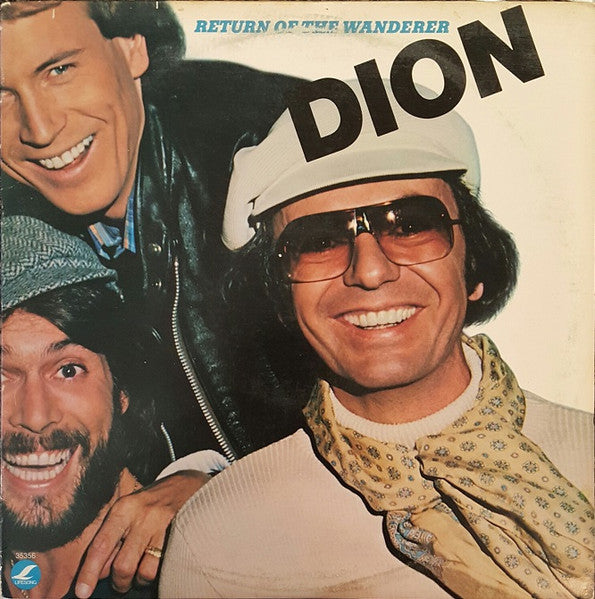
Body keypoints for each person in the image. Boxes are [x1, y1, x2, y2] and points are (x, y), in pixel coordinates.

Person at [160, 80, 594, 598]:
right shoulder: (220, 540)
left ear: (473, 263)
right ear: (279, 297)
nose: (369, 270)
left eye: (409, 226)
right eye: (319, 240)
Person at [1, 2, 308, 595]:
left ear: (133, 47)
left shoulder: (271, 156)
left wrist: (219, 488)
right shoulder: (19, 208)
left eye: (59, 69)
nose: (38, 128)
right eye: (0, 95)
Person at [0, 215, 206, 598]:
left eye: (68, 370)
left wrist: (215, 501)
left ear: (122, 389)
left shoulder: (201, 566)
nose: (34, 417)